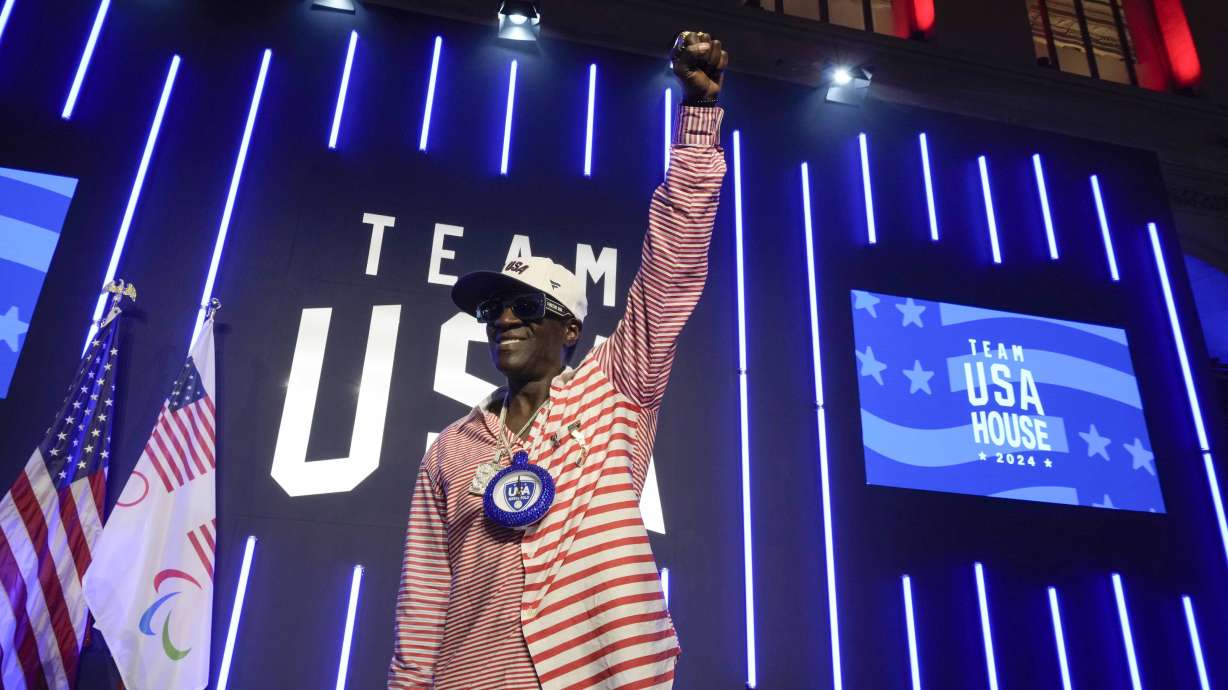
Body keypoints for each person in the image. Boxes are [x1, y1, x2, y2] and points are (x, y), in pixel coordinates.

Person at [389, 30, 729, 690]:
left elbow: (672, 265)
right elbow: (423, 604)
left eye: (526, 305)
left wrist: (696, 125)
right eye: (493, 308)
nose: (506, 317)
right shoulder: (450, 452)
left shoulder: (617, 390)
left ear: (571, 327)